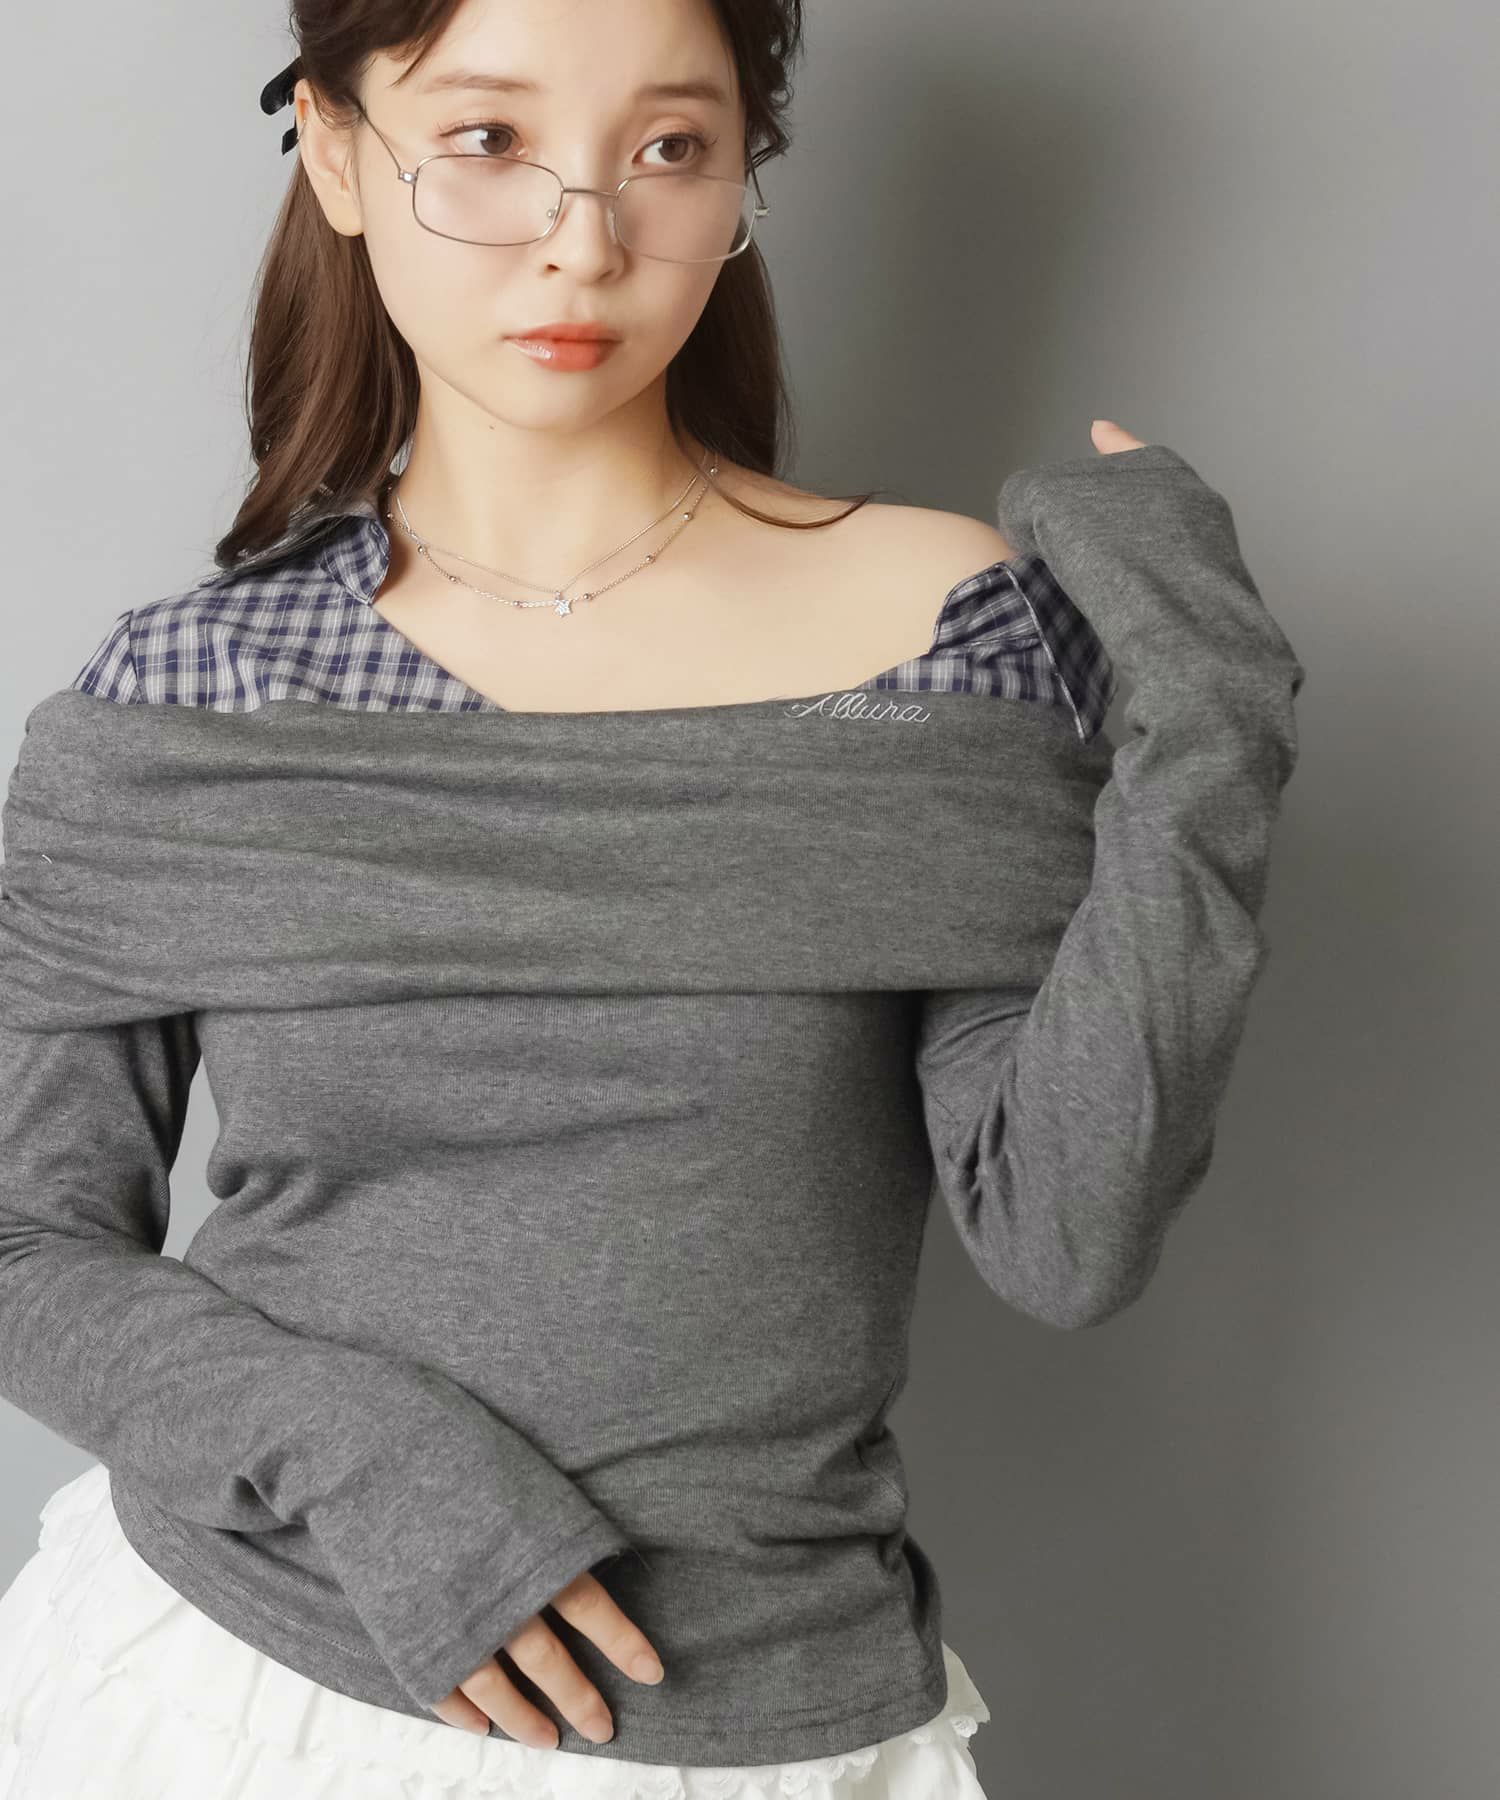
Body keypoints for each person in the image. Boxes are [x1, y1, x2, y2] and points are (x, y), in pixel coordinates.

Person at [0, 0, 1306, 1794]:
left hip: (780, 1712)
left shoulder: (945, 639)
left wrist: (1213, 717)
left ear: (741, 170)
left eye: (668, 149)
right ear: (337, 151)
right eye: (487, 141)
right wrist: (361, 1462)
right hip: (248, 1686)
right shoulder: (182, 699)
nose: (585, 239)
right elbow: (23, 1239)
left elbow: (1066, 1233)